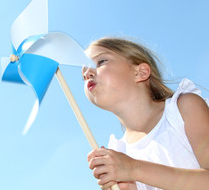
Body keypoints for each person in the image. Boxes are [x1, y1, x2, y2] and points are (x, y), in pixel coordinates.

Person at [82, 37, 209, 190]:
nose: (88, 73)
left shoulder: (183, 109)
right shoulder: (119, 152)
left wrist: (134, 169)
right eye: (83, 74)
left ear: (140, 72)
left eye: (100, 61)